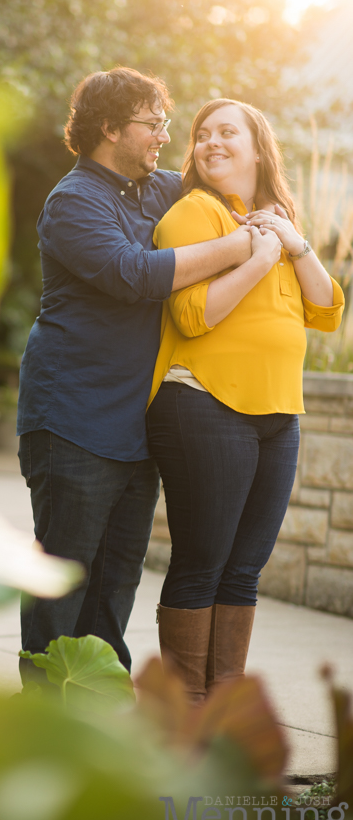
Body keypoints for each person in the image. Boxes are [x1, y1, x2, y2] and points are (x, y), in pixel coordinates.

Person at [17, 69, 256, 685]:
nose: (163, 138)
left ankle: (100, 716)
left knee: (115, 583)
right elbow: (132, 274)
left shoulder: (161, 189)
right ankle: (45, 718)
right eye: (154, 125)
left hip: (135, 426)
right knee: (63, 577)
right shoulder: (73, 200)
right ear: (110, 127)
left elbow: (220, 183)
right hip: (72, 419)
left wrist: (268, 204)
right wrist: (236, 248)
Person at [146, 98, 344, 702]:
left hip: (277, 416)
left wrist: (294, 241)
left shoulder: (273, 219)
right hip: (204, 404)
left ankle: (223, 714)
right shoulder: (194, 213)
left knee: (243, 572)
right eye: (202, 134)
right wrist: (260, 258)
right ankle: (185, 721)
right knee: (202, 565)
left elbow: (327, 311)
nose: (210, 142)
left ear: (259, 147)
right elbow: (193, 314)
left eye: (226, 131)